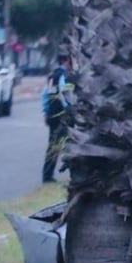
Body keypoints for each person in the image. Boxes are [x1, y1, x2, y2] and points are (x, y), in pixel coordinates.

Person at [41, 53, 75, 183]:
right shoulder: (63, 76)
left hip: (52, 115)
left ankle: (47, 175)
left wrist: (45, 111)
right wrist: (69, 108)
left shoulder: (52, 75)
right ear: (66, 61)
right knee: (68, 144)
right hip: (61, 115)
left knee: (53, 145)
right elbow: (62, 93)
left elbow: (44, 95)